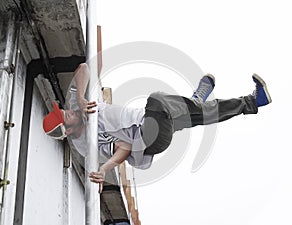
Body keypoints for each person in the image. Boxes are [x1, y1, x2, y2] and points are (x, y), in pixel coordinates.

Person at [43, 63, 272, 192]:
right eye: (64, 117)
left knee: (203, 114)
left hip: (152, 120)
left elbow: (83, 68)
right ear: (69, 131)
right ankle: (197, 99)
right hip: (148, 140)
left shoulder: (76, 107)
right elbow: (123, 147)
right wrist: (106, 169)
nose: (67, 111)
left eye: (62, 110)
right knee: (158, 99)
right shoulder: (85, 144)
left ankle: (252, 102)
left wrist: (81, 98)